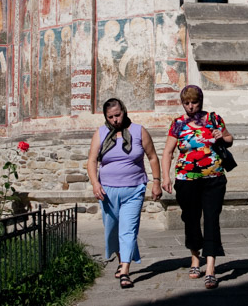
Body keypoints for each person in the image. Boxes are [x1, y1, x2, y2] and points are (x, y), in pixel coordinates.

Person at [161, 85, 233, 290]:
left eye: (194, 102)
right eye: (187, 103)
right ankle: (195, 258)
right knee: (191, 218)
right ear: (182, 103)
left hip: (214, 177)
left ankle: (210, 268)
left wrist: (222, 136)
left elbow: (229, 139)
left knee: (211, 218)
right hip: (186, 179)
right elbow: (168, 152)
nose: (191, 106)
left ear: (201, 101)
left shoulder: (213, 119)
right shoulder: (178, 124)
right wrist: (165, 177)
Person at [87, 98, 162, 289]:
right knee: (112, 230)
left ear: (124, 112)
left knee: (128, 229)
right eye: (110, 116)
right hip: (107, 191)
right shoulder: (101, 133)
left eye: (117, 115)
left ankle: (125, 271)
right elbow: (92, 160)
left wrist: (156, 182)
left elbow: (152, 157)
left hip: (134, 189)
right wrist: (95, 184)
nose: (115, 120)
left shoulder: (139, 131)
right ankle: (122, 260)